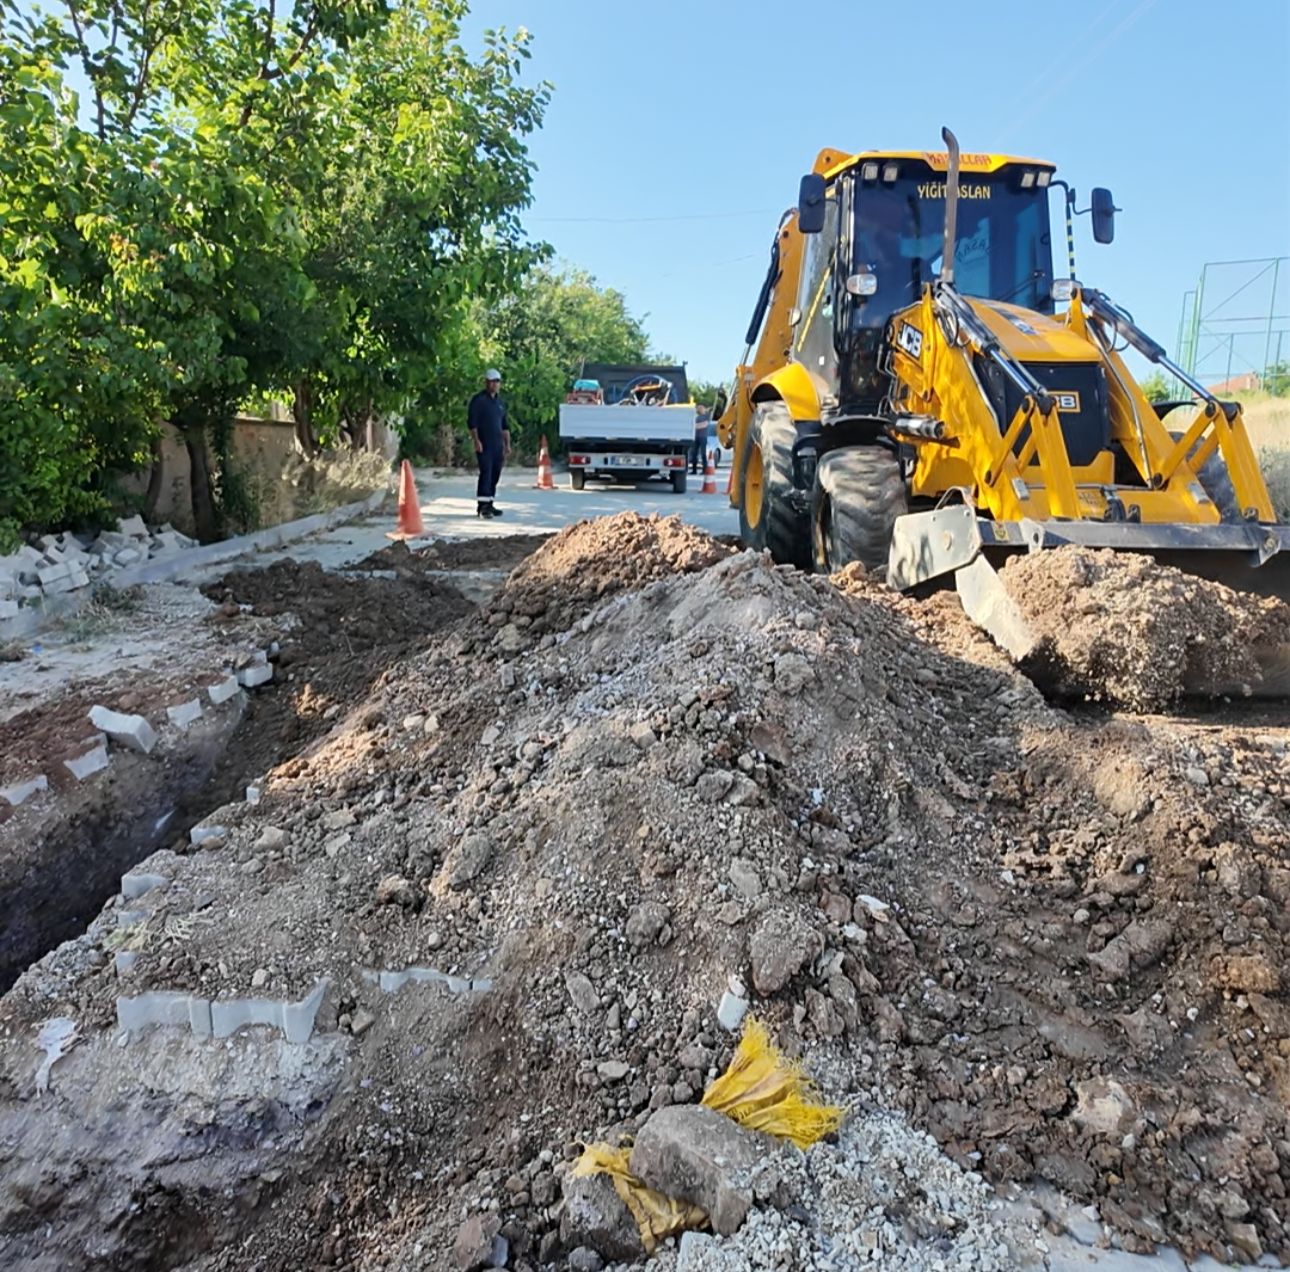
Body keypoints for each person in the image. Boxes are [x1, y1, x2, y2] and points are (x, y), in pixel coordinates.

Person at [468, 369, 511, 518]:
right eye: (492, 381)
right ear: (486, 382)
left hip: (497, 445)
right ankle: (482, 507)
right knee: (486, 472)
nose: (495, 384)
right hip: (484, 444)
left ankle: (490, 503)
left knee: (495, 474)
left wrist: (507, 445)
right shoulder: (478, 400)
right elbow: (472, 423)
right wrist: (476, 440)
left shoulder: (499, 403)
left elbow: (504, 426)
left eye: (497, 381)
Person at [690, 405, 710, 475]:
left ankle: (705, 470)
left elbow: (704, 425)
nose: (700, 409)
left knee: (703, 454)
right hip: (696, 437)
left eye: (701, 408)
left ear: (704, 409)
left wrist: (694, 426)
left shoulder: (706, 417)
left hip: (703, 437)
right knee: (694, 454)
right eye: (699, 408)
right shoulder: (696, 417)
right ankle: (694, 470)